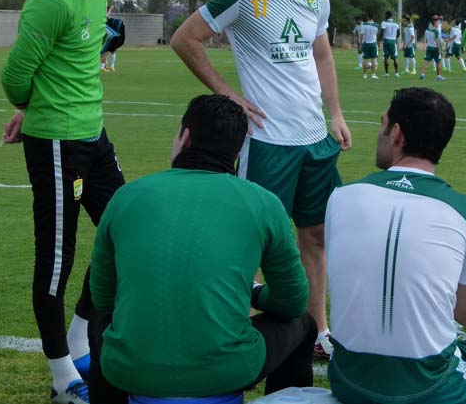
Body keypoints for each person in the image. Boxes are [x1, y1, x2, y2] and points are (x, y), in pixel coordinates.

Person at [170, 0, 351, 360]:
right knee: (251, 240)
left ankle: (318, 332)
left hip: (315, 142)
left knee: (315, 237)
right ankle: (236, 328)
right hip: (268, 142)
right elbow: (185, 38)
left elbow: (323, 57)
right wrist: (228, 94)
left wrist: (336, 114)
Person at [87, 95, 316, 404]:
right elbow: (292, 302)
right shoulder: (262, 202)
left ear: (186, 137)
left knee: (100, 323)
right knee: (303, 323)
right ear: (237, 152)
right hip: (228, 368)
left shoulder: (127, 196)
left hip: (130, 369)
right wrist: (255, 293)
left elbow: (103, 297)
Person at [0, 0, 134, 403]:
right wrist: (34, 112)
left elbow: (77, 59)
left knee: (126, 234)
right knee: (57, 259)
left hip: (94, 136)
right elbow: (14, 76)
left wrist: (36, 106)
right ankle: (62, 379)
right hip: (56, 143)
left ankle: (80, 337)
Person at [325, 87, 466, 404]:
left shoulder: (340, 198)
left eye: (381, 124)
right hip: (427, 387)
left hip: (348, 379)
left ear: (396, 133)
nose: (379, 133)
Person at [420, 15, 445, 80]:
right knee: (438, 62)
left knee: (426, 62)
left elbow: (426, 40)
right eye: (437, 23)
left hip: (429, 47)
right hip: (435, 48)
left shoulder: (427, 30)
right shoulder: (435, 31)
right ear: (434, 23)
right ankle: (438, 76)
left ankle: (422, 74)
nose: (438, 24)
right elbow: (437, 41)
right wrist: (439, 49)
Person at [381, 10, 401, 77]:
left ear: (386, 15)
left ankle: (386, 73)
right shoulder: (396, 23)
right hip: (393, 41)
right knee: (395, 58)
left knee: (386, 57)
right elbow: (399, 33)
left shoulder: (384, 22)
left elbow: (382, 32)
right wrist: (394, 38)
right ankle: (396, 73)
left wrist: (378, 40)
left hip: (386, 41)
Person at [361, 13, 381, 79]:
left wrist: (361, 44)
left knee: (365, 59)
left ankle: (364, 75)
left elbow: (362, 35)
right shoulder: (376, 25)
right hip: (373, 43)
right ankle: (373, 74)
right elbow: (376, 34)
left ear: (368, 17)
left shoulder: (363, 24)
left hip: (366, 43)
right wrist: (378, 42)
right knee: (373, 59)